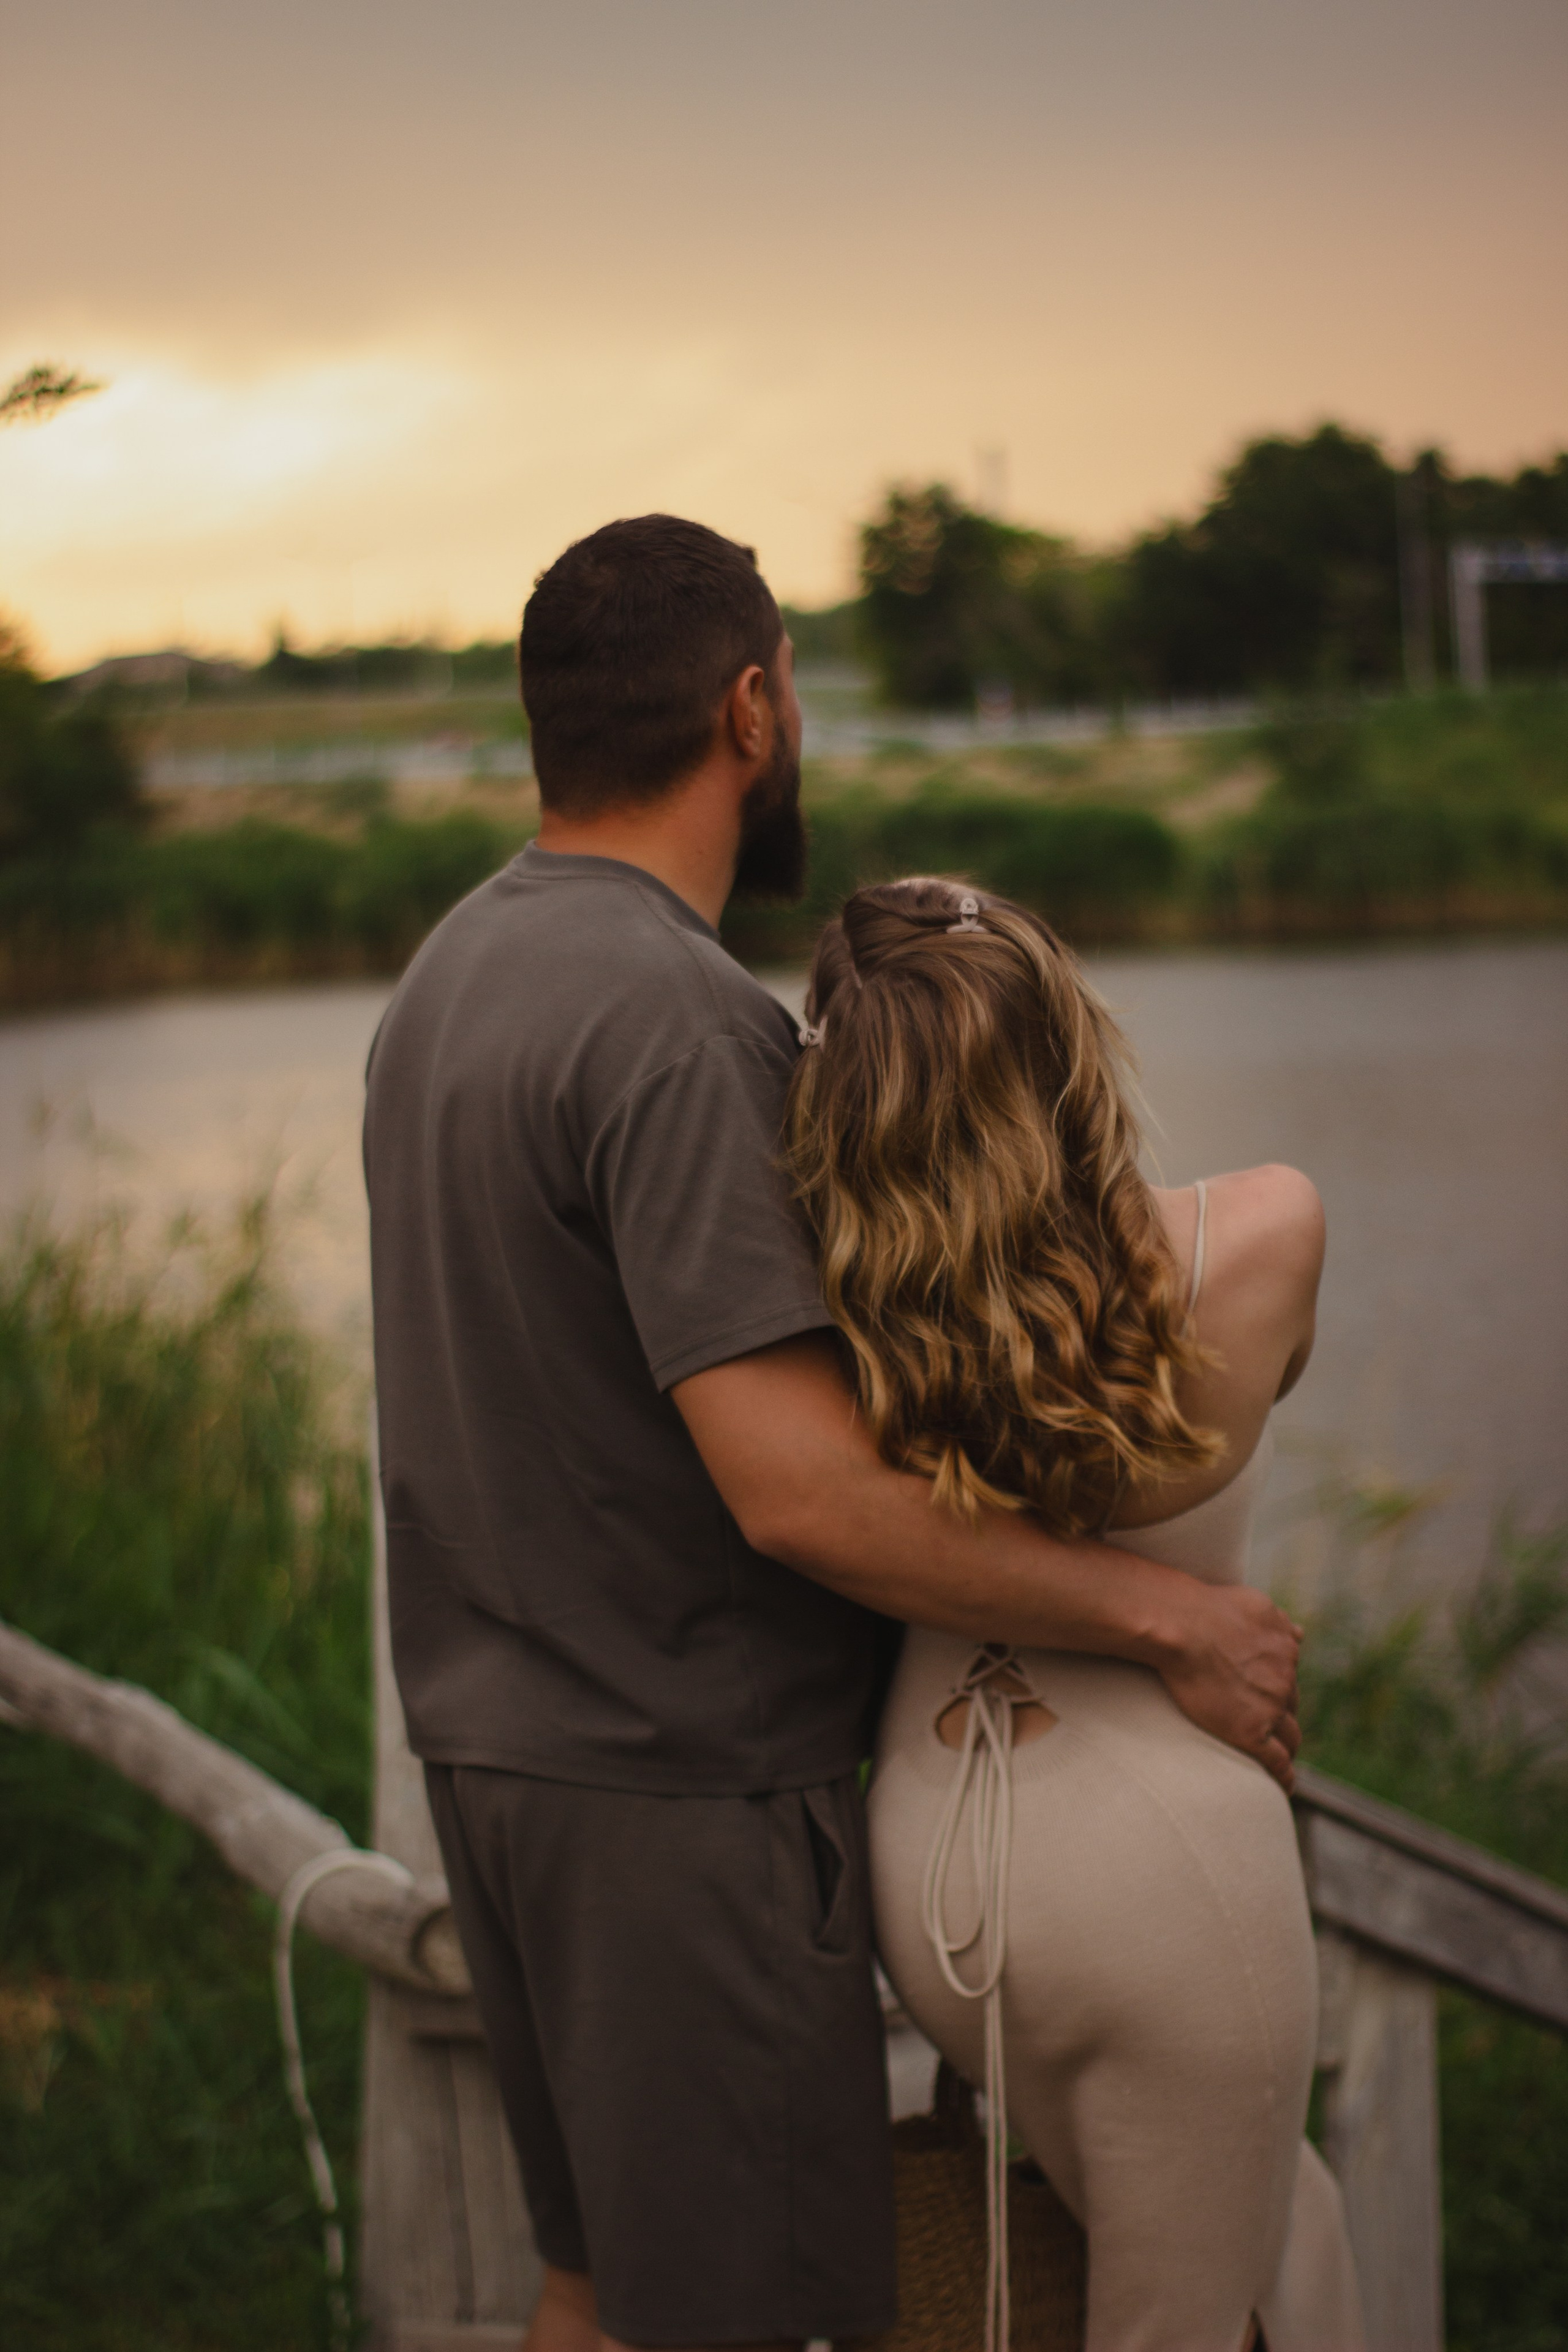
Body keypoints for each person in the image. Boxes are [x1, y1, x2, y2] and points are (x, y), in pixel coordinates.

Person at [363, 516, 1305, 2352]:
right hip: (681, 1800)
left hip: (499, 1765)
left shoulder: (444, 982)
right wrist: (1171, 1618)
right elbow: (794, 1494)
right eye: (790, 683)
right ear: (751, 710)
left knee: (595, 2291)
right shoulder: (684, 1025)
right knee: (755, 2320)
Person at [783, 876, 1365, 2352]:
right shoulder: (1257, 1238)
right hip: (1165, 1879)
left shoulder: (853, 1315)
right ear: (1066, 1042)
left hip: (935, 1864)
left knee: (1288, 2223)